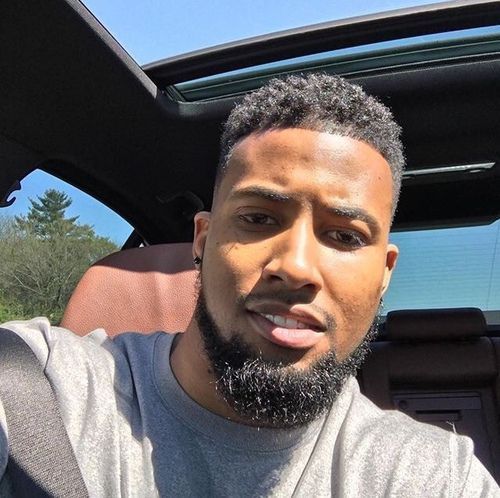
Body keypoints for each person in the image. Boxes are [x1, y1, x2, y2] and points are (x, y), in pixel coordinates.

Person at [0, 73, 498, 497]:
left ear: (385, 273)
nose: (296, 267)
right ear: (202, 240)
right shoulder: (38, 387)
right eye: (258, 218)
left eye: (345, 236)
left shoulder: (436, 475)